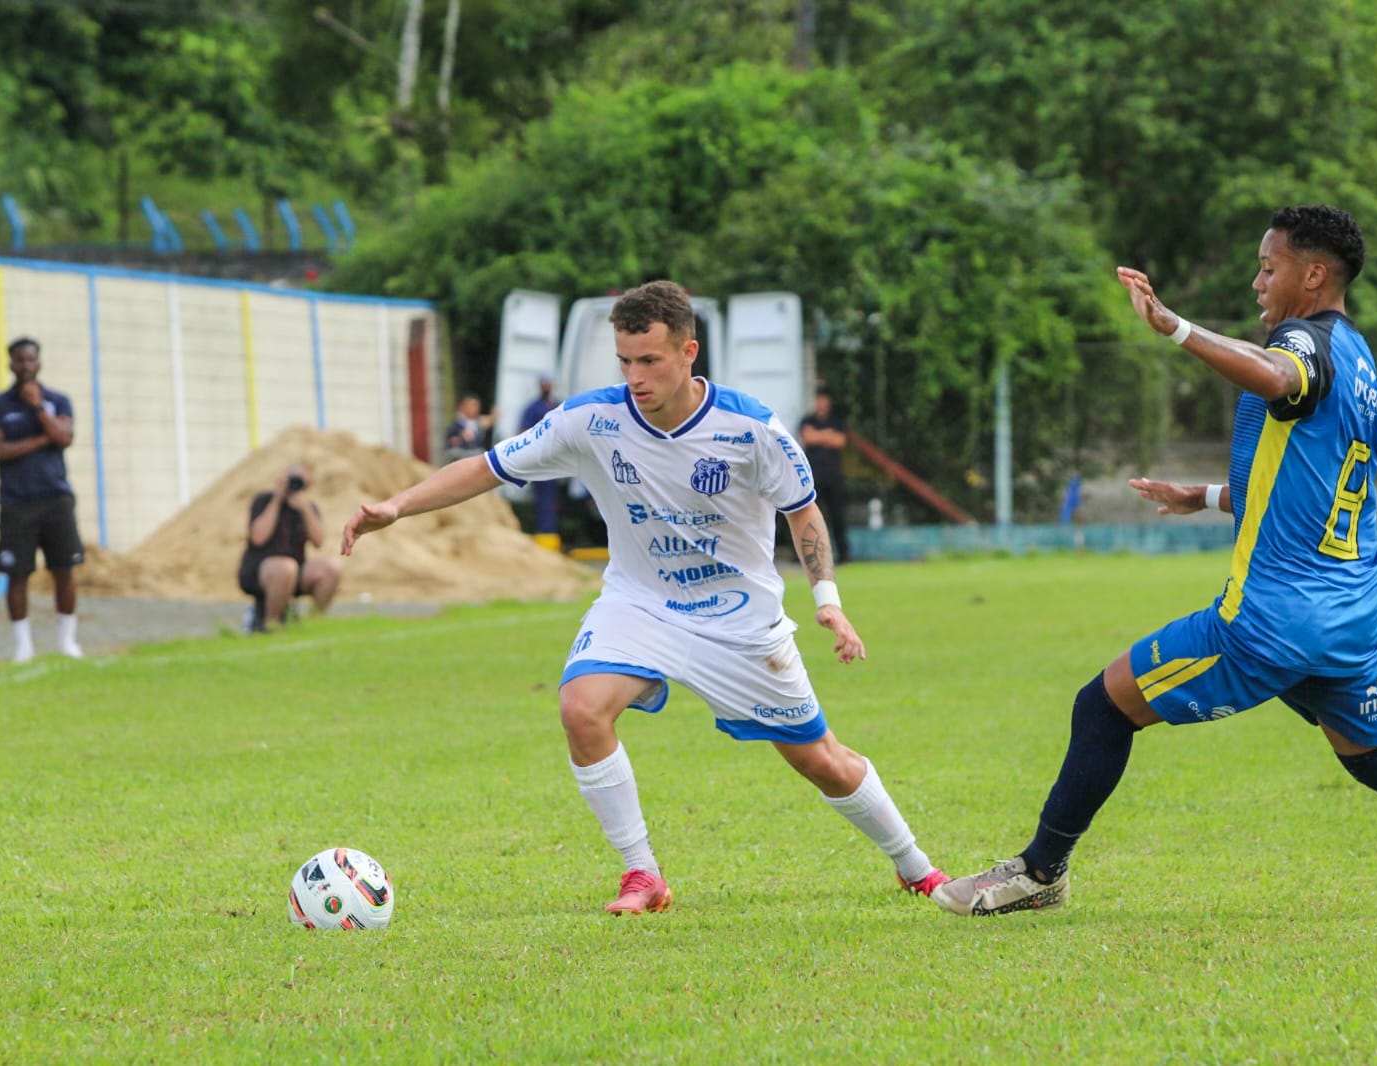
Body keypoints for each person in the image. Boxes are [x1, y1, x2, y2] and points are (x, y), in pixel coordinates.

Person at [933, 205, 1377, 918]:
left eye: (1269, 267)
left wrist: (1174, 328)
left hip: (1276, 620)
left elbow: (1279, 377)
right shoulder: (1361, 360)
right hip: (1352, 615)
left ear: (1313, 274)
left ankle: (1040, 871)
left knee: (1102, 707)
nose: (1256, 282)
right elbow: (1306, 485)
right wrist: (1204, 495)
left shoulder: (1301, 344)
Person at [343, 280, 948, 914]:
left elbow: (804, 514)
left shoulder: (751, 429)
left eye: (650, 360)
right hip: (639, 605)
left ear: (689, 352)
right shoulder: (591, 420)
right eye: (625, 361)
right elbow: (487, 467)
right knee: (581, 709)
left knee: (822, 761)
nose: (635, 375)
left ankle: (917, 868)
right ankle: (643, 873)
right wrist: (397, 506)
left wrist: (827, 598)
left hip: (739, 620)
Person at [0, 336, 84, 662]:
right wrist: (43, 439)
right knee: (17, 574)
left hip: (56, 499)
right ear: (10, 363)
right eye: (19, 360)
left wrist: (38, 407)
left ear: (39, 363)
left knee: (64, 570)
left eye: (30, 360)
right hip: (17, 503)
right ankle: (22, 647)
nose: (25, 365)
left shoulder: (58, 400)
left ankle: (67, 642)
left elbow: (65, 437)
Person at [237, 463, 343, 633]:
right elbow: (258, 537)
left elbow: (318, 541)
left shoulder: (307, 507)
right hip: (260, 570)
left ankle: (314, 623)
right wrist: (278, 499)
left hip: (295, 570)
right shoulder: (264, 500)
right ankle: (271, 626)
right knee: (286, 567)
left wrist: (304, 508)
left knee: (332, 567)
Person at [798, 387, 851, 563]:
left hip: (833, 477)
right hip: (813, 478)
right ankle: (808, 555)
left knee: (837, 517)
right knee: (809, 517)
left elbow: (840, 441)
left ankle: (843, 555)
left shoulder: (836, 421)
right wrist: (827, 435)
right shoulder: (807, 420)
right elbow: (808, 437)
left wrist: (819, 435)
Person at [520, 375, 563, 543]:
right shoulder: (533, 408)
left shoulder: (558, 405)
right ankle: (545, 532)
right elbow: (524, 431)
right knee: (542, 500)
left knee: (554, 500)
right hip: (540, 459)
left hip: (557, 459)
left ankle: (552, 532)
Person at [444, 392, 495, 461]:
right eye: (472, 405)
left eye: (477, 405)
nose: (476, 408)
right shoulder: (457, 425)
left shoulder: (475, 422)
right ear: (462, 406)